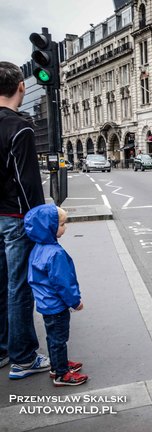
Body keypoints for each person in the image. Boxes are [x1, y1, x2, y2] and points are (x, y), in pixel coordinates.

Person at [0, 61, 50, 379]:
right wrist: (42, 223)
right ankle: (23, 356)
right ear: (21, 86)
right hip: (17, 216)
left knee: (1, 283)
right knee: (20, 287)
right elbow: (27, 181)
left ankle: (3, 349)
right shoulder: (20, 126)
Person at [24, 205, 87, 386]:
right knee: (60, 339)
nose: (65, 228)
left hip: (45, 304)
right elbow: (63, 283)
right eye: (61, 224)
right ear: (48, 227)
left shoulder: (38, 248)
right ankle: (62, 374)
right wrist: (75, 302)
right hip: (57, 305)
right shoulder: (56, 253)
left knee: (52, 337)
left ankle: (56, 364)